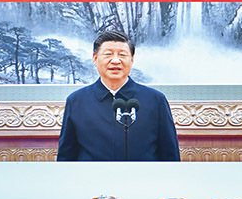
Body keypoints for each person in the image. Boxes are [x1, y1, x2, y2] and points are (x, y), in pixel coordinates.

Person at [57, 31, 180, 161]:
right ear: (95, 59)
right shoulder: (76, 101)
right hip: (92, 174)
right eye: (108, 54)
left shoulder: (155, 100)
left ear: (132, 59)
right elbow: (66, 156)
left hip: (144, 174)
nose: (115, 61)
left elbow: (170, 155)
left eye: (122, 55)